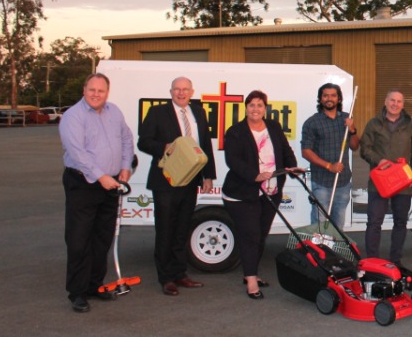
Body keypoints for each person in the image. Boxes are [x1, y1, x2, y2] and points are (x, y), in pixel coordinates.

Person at [60, 73, 134, 313]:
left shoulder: (114, 112)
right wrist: (101, 176)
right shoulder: (73, 116)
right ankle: (77, 292)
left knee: (102, 238)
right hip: (83, 184)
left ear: (107, 93)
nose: (95, 94)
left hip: (110, 184)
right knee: (79, 239)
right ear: (84, 90)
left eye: (100, 91)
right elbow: (78, 152)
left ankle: (94, 285)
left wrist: (125, 166)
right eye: (92, 90)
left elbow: (126, 138)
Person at [137, 76, 217, 296]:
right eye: (177, 89)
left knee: (182, 229)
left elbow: (205, 145)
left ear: (192, 92)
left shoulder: (198, 112)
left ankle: (180, 274)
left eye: (185, 89)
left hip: (190, 179)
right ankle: (166, 278)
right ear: (170, 92)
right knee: (165, 230)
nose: (181, 93)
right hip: (166, 180)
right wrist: (166, 147)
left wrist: (208, 175)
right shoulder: (157, 113)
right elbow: (143, 141)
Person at [222, 90, 298, 299]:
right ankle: (251, 280)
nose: (255, 109)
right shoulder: (236, 131)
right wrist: (254, 175)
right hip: (242, 193)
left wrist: (292, 166)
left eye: (260, 105)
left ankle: (250, 273)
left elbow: (284, 149)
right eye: (251, 105)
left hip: (270, 191)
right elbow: (232, 160)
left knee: (261, 234)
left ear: (265, 108)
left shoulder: (273, 126)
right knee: (251, 236)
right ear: (246, 108)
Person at [360, 89, 412, 265]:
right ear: (386, 102)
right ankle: (372, 261)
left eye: (399, 101)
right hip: (379, 183)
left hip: (403, 182)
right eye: (392, 100)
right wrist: (378, 160)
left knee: (400, 222)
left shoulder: (411, 125)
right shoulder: (374, 124)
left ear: (403, 104)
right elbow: (365, 148)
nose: (395, 104)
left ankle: (395, 260)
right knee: (374, 222)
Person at [300, 83, 358, 230]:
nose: (329, 98)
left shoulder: (346, 118)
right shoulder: (312, 122)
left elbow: (355, 146)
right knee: (319, 223)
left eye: (333, 95)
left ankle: (334, 250)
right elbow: (305, 151)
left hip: (343, 182)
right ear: (320, 99)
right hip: (322, 182)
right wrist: (329, 166)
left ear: (339, 99)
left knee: (338, 224)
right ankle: (318, 250)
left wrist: (352, 130)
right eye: (325, 95)